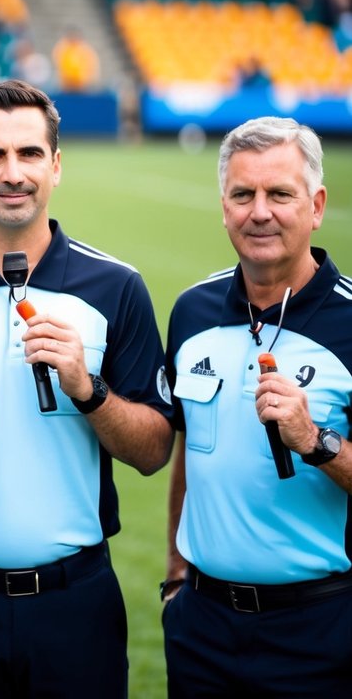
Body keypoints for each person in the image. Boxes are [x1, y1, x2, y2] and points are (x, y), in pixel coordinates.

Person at [0, 79, 174, 697]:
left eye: (28, 154)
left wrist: (89, 389)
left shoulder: (115, 287)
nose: (11, 173)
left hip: (75, 605)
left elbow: (154, 452)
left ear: (56, 165)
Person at [163, 117, 352, 695]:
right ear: (224, 207)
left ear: (316, 205)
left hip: (320, 629)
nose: (259, 211)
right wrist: (175, 578)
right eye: (243, 194)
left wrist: (315, 440)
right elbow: (187, 453)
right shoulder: (191, 311)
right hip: (202, 626)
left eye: (280, 194)